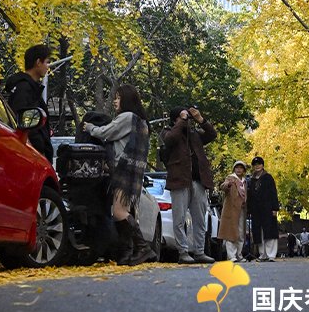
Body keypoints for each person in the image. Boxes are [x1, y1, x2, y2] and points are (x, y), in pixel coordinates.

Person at [82, 83, 156, 265]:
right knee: (125, 211)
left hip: (124, 170)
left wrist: (90, 128)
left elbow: (107, 132)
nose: (115, 101)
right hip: (134, 171)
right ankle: (128, 253)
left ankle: (143, 247)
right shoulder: (141, 121)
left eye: (118, 98)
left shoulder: (127, 117)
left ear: (127, 99)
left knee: (119, 212)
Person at [160, 104, 216, 264]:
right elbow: (170, 140)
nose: (187, 120)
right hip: (179, 181)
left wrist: (200, 119)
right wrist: (181, 122)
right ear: (175, 119)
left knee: (200, 219)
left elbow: (212, 134)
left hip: (198, 181)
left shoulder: (194, 134)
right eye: (182, 116)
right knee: (179, 219)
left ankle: (199, 251)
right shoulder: (168, 132)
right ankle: (183, 252)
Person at [5, 44, 53, 162]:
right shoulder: (24, 89)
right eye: (47, 62)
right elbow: (23, 120)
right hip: (32, 155)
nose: (48, 67)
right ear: (38, 62)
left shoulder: (28, 88)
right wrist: (38, 148)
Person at [247, 155, 280, 260]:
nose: (257, 166)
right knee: (258, 232)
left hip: (268, 209)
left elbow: (273, 193)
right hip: (256, 210)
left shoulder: (268, 177)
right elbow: (250, 196)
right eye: (255, 165)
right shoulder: (251, 180)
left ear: (262, 165)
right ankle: (262, 254)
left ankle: (271, 255)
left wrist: (275, 208)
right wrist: (249, 209)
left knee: (269, 231)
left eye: (259, 164)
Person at [218, 160, 247, 262]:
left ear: (244, 170)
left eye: (241, 168)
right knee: (231, 233)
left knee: (241, 233)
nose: (239, 169)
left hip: (242, 209)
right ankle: (231, 256)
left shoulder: (245, 181)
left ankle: (239, 254)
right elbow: (223, 186)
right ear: (234, 169)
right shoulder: (230, 178)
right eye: (237, 167)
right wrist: (228, 185)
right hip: (231, 210)